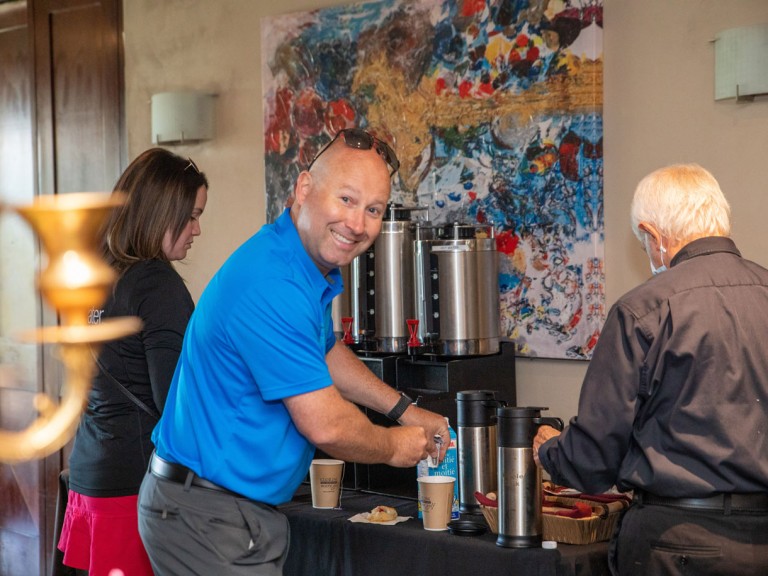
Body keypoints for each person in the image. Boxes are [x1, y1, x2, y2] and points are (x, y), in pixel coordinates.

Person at [137, 127, 449, 575]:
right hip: (206, 514)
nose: (357, 224)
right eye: (346, 199)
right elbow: (327, 426)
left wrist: (403, 410)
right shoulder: (273, 282)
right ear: (304, 189)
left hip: (229, 509)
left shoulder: (298, 262)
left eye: (373, 209)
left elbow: (325, 351)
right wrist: (393, 446)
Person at [533, 163, 768, 575]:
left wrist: (550, 450)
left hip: (676, 544)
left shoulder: (643, 310)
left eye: (644, 245)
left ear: (654, 236)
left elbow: (594, 458)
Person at [57, 148, 209, 576]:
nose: (197, 229)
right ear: (161, 213)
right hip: (135, 488)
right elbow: (176, 403)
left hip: (90, 474)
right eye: (191, 216)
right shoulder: (157, 285)